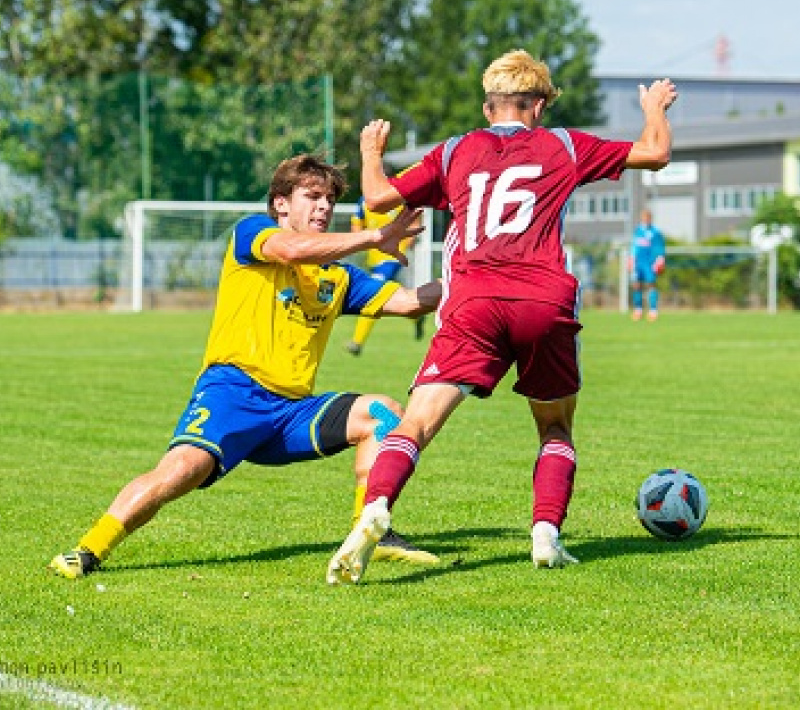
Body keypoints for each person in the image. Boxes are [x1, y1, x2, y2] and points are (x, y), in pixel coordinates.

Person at [327, 50, 678, 585]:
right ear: (537, 105)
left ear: (489, 106)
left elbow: (377, 198)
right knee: (555, 426)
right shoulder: (562, 145)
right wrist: (654, 107)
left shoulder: (455, 151)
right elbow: (655, 153)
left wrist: (370, 152)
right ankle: (545, 535)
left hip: (472, 302)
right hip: (543, 300)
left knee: (416, 424)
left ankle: (376, 506)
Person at [49, 154, 442, 579]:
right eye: (312, 196)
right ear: (281, 204)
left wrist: (473, 272)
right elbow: (290, 249)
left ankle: (371, 531)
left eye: (329, 199)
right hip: (232, 395)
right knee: (181, 470)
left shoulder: (339, 278)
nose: (324, 207)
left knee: (381, 414)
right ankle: (89, 550)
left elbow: (409, 302)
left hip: (292, 413)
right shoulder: (252, 234)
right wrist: (375, 236)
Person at [345, 195, 426, 355]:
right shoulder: (365, 200)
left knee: (371, 294)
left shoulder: (399, 198)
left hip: (393, 258)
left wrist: (408, 241)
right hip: (374, 258)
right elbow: (356, 224)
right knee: (396, 296)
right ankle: (417, 316)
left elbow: (415, 219)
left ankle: (357, 342)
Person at [629, 209, 666, 320]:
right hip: (638, 262)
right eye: (644, 217)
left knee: (651, 285)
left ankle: (653, 311)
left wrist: (660, 260)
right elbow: (634, 246)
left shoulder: (656, 232)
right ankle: (638, 310)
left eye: (647, 217)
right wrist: (631, 258)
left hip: (650, 263)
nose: (646, 219)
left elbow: (660, 247)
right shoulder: (638, 230)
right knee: (636, 285)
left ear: (650, 218)